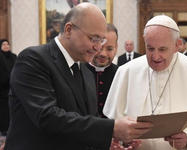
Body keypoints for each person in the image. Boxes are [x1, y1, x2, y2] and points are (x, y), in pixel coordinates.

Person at [4, 3, 152, 150]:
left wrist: (108, 141)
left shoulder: (85, 70)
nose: (98, 47)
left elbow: (85, 122)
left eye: (101, 41)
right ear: (69, 30)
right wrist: (111, 129)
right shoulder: (33, 59)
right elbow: (47, 117)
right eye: (94, 39)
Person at [103, 15, 187, 150]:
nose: (155, 57)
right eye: (150, 49)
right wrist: (121, 139)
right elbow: (111, 125)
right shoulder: (126, 71)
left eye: (162, 49)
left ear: (177, 45)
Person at [85, 24, 118, 118]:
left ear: (116, 48)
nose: (103, 54)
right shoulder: (77, 72)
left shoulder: (122, 74)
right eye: (99, 48)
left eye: (109, 49)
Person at [0, 39, 16, 136]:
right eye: (3, 44)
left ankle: (12, 127)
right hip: (2, 88)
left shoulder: (14, 56)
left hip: (13, 87)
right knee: (3, 110)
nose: (6, 46)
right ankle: (4, 129)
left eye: (7, 44)